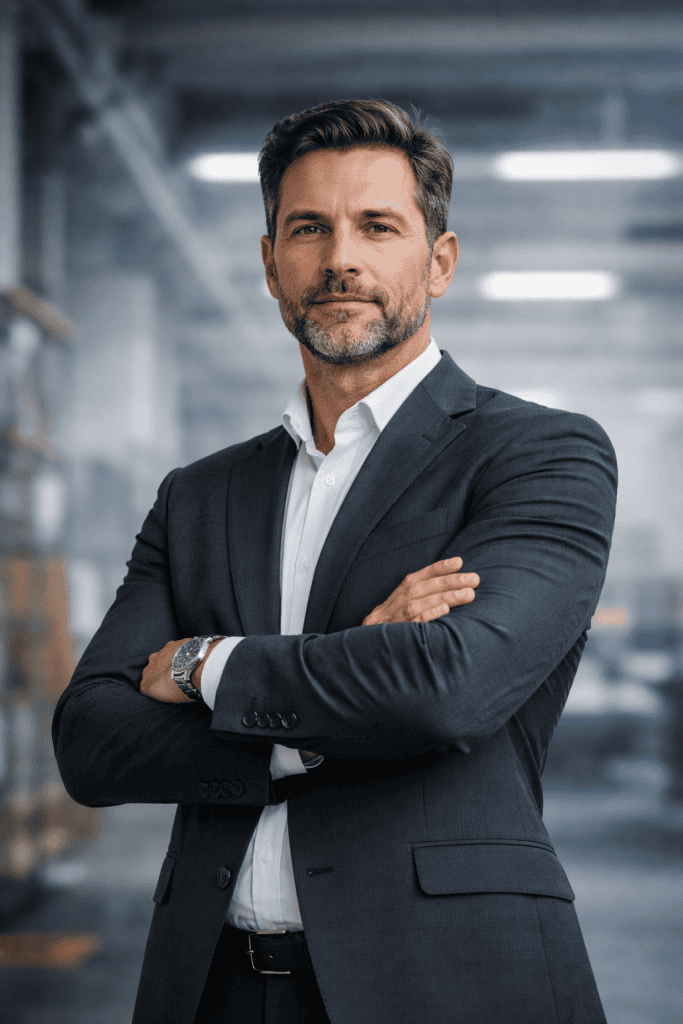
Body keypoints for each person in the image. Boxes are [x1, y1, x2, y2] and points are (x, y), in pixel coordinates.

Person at [53, 99, 617, 1024]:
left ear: (437, 263)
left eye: (377, 227)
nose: (339, 258)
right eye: (307, 228)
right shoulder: (198, 494)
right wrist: (350, 679)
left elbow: (447, 687)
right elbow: (91, 741)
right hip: (211, 985)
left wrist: (207, 664)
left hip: (447, 979)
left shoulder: (538, 454)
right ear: (271, 264)